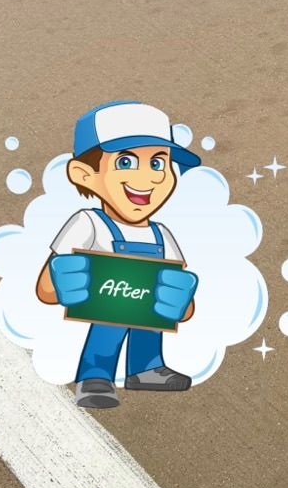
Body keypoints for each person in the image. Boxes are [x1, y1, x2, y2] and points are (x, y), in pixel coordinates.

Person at [36, 101, 200, 412]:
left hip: (145, 312)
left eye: (158, 164)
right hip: (106, 305)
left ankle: (146, 367)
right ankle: (95, 376)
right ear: (84, 174)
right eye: (126, 162)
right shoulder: (88, 224)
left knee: (150, 306)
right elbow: (45, 290)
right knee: (110, 319)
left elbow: (185, 310)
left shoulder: (162, 234)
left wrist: (180, 301)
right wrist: (63, 282)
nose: (148, 178)